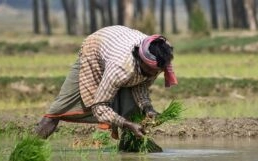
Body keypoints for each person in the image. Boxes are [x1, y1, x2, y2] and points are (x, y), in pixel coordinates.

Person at [34, 25, 177, 140]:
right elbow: (99, 106)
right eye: (150, 72)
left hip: (117, 42)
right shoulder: (121, 68)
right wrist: (126, 124)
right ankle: (31, 145)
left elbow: (141, 84)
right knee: (58, 109)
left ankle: (129, 154)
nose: (153, 75)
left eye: (156, 72)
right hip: (95, 50)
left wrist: (148, 109)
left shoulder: (159, 55)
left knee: (133, 111)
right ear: (140, 61)